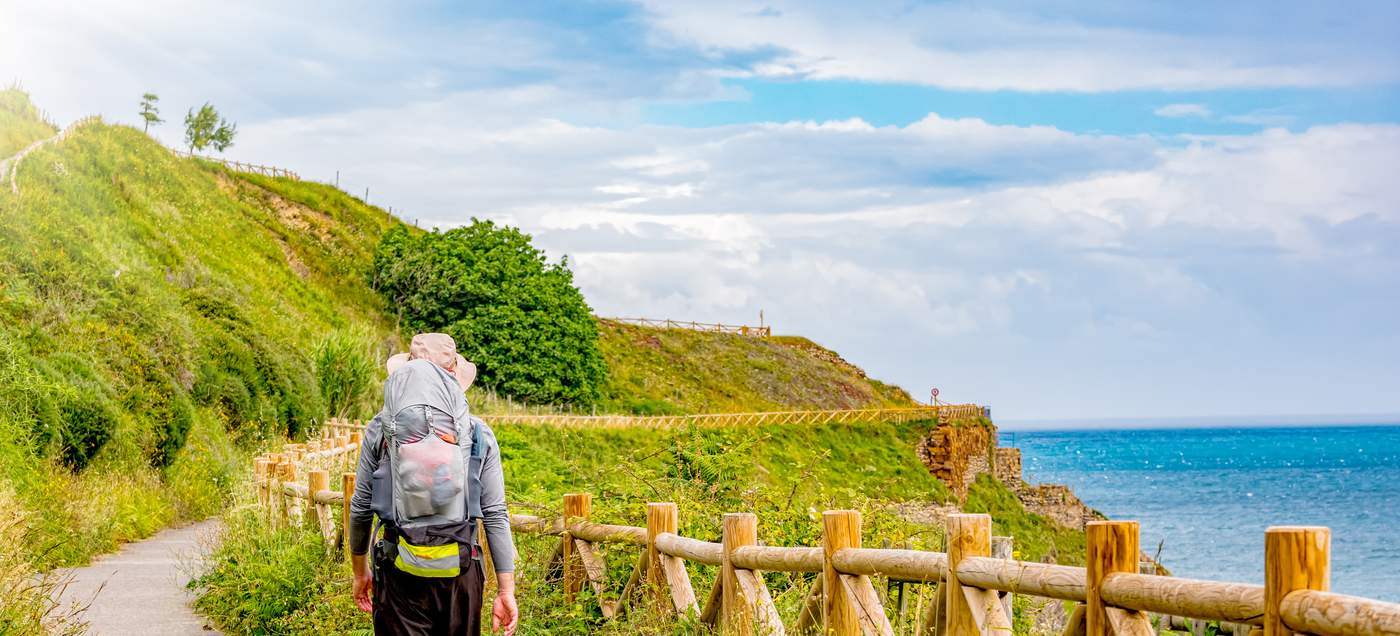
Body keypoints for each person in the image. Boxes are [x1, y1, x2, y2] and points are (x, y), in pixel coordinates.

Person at [348, 333, 519, 635]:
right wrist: (506, 590)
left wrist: (360, 572)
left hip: (398, 569)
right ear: (455, 377)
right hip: (461, 574)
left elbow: (361, 508)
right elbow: (495, 514)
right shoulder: (478, 433)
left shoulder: (381, 429)